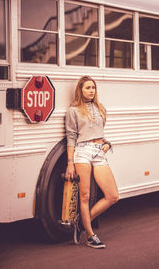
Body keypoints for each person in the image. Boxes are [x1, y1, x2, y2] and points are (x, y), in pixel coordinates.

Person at [65, 75, 119, 249]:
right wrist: (70, 163)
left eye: (93, 88)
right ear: (80, 90)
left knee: (112, 196)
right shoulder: (73, 110)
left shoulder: (100, 108)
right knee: (85, 196)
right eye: (87, 88)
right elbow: (71, 137)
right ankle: (90, 235)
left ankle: (81, 223)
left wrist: (107, 143)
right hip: (82, 152)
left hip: (99, 151)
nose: (91, 91)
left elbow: (100, 133)